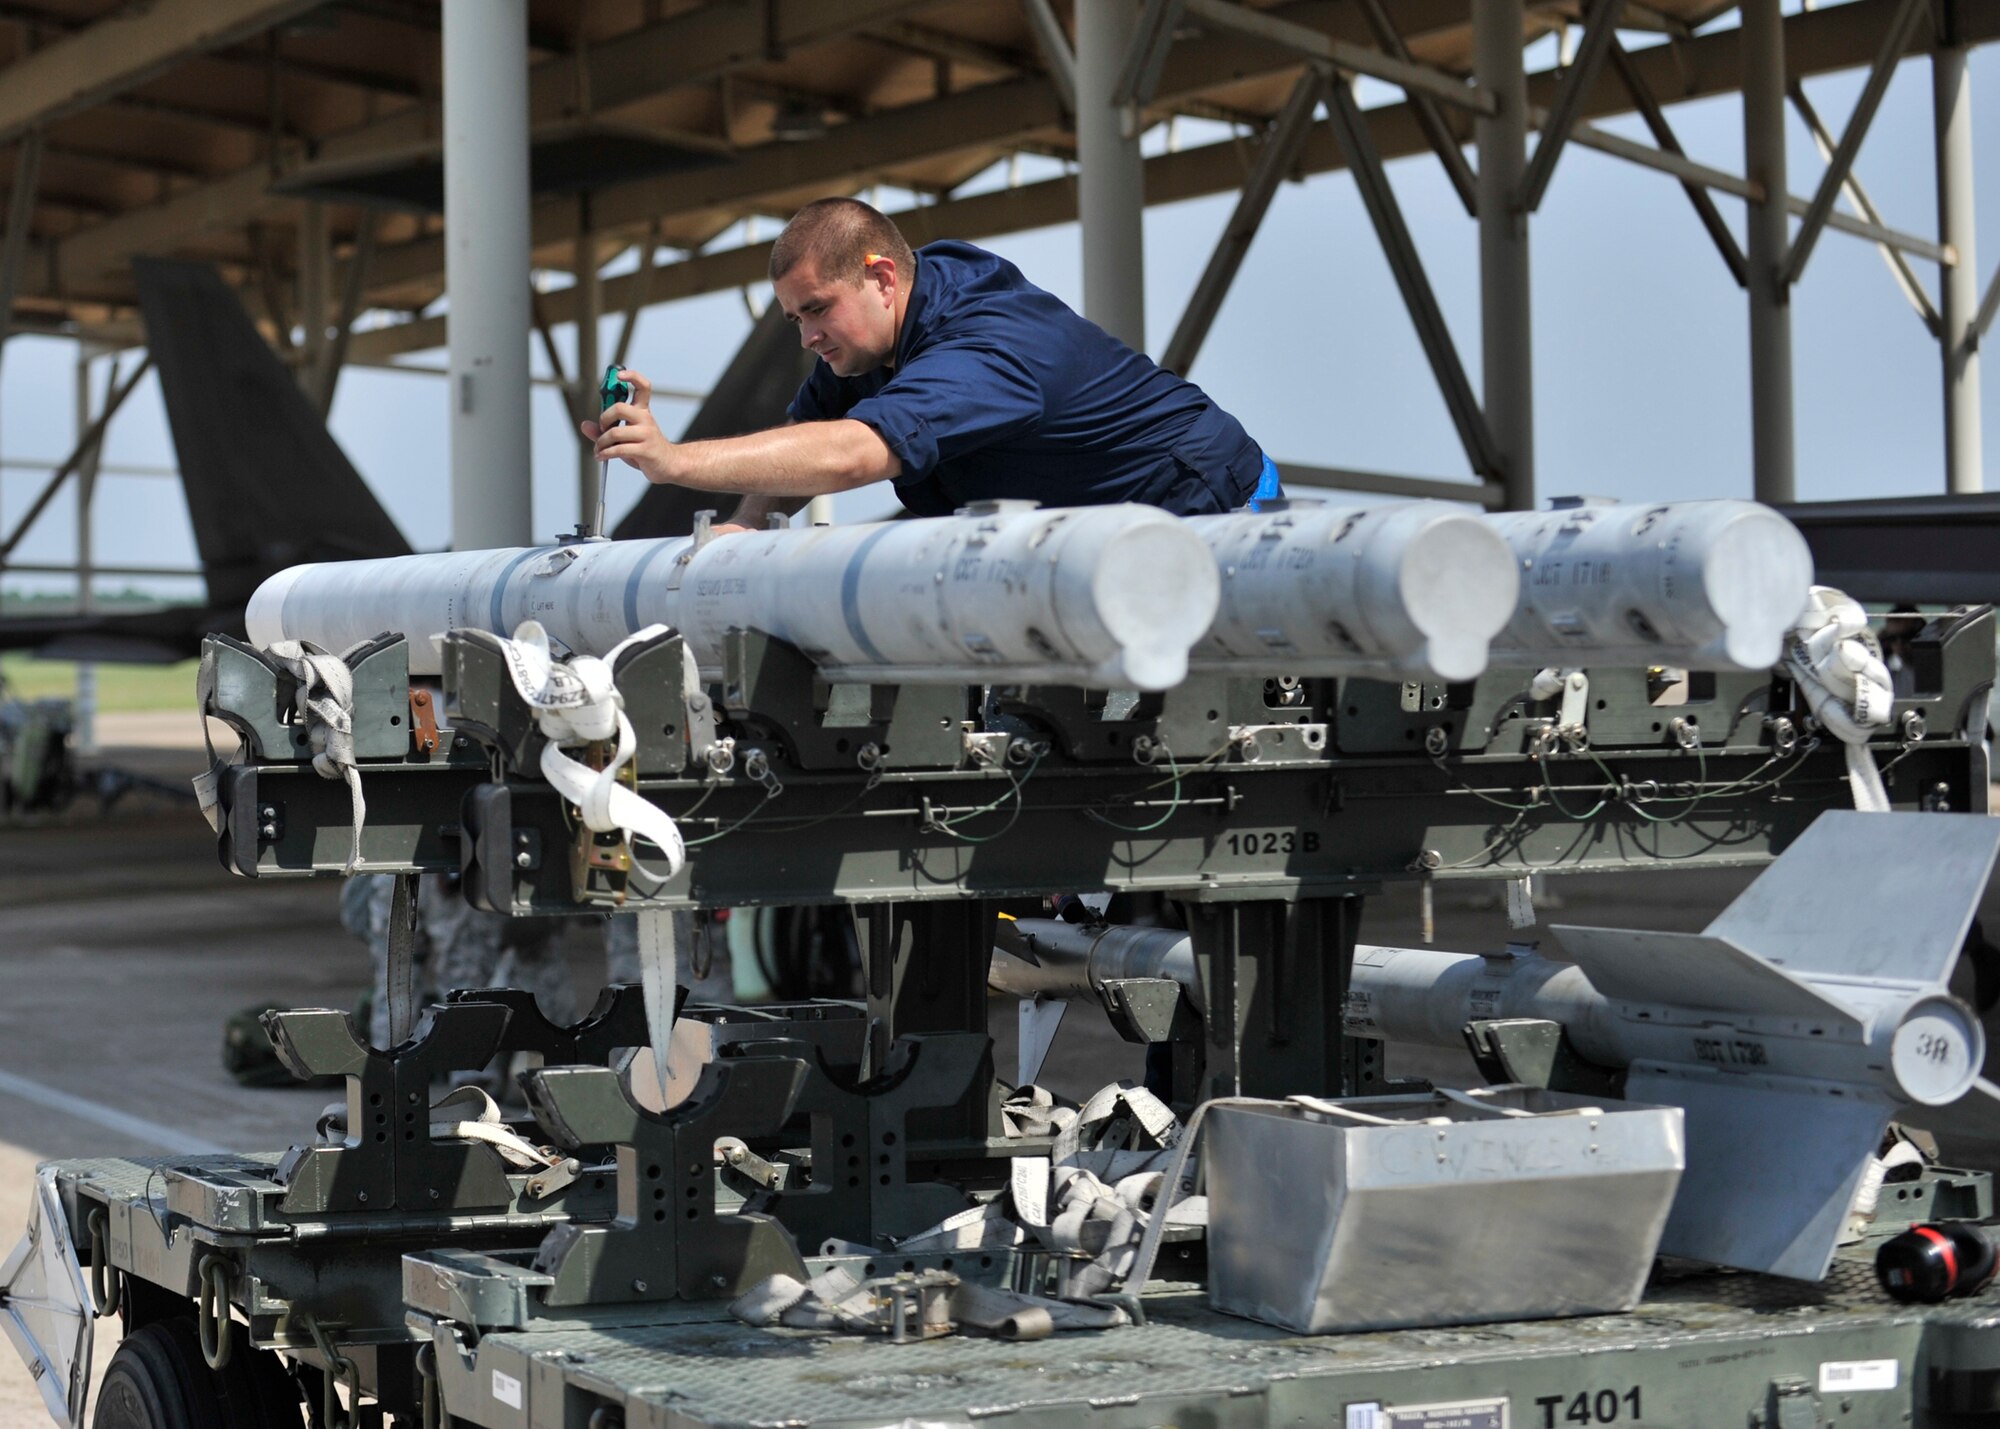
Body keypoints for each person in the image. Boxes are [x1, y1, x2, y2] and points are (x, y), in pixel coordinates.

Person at [582, 197, 1278, 529]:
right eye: (796, 320)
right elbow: (810, 435)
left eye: (817, 310)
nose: (808, 339)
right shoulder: (867, 341)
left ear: (883, 278)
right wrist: (741, 527)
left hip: (1218, 521)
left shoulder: (986, 347)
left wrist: (673, 463)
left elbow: (855, 454)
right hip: (1106, 540)